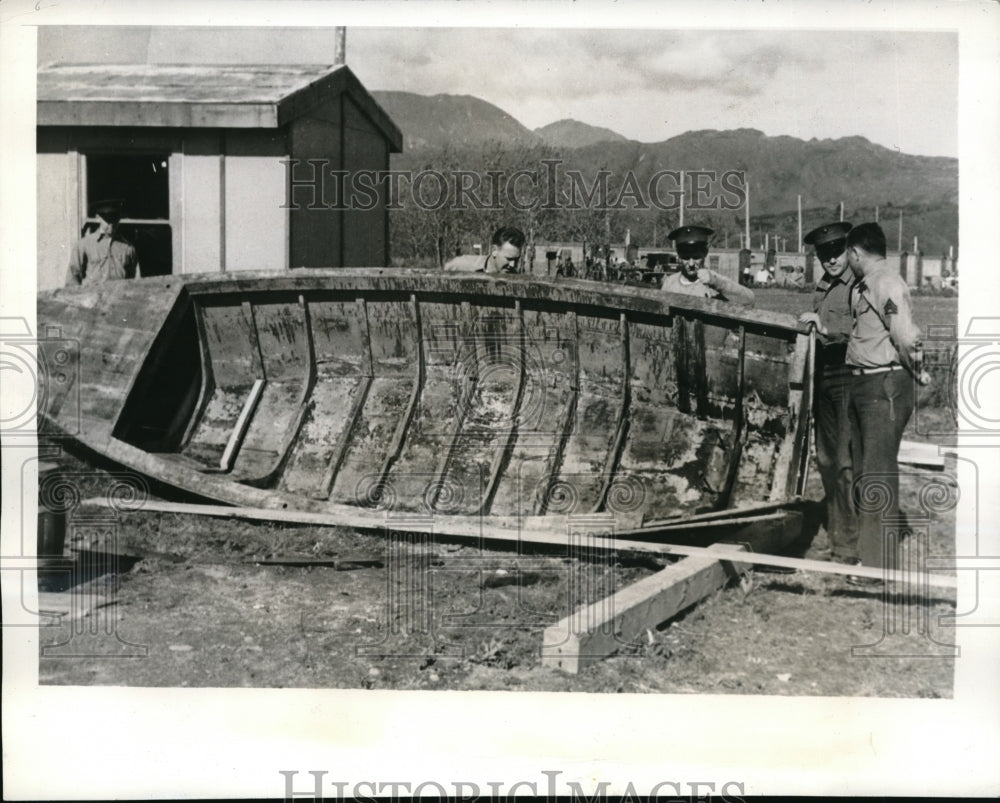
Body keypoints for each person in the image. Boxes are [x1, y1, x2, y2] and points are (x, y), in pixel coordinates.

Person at [843, 222, 931, 585]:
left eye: (848, 256)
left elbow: (906, 335)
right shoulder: (871, 282)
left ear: (855, 253)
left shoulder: (884, 282)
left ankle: (878, 568)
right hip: (870, 383)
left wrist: (920, 372)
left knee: (877, 471)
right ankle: (872, 555)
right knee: (867, 469)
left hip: (884, 385)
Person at [798, 222, 858, 564]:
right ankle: (838, 532)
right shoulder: (824, 285)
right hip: (823, 375)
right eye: (824, 254)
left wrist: (824, 329)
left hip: (848, 375)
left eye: (836, 251)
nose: (831, 259)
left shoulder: (858, 285)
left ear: (848, 250)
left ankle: (848, 545)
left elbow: (863, 332)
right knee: (825, 459)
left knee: (845, 460)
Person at [660, 225, 754, 307]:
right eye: (686, 258)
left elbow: (749, 299)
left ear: (705, 254)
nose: (691, 264)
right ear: (679, 257)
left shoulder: (714, 281)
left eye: (696, 257)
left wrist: (716, 282)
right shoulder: (670, 283)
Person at [66, 198, 141, 286]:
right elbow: (72, 278)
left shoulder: (128, 248)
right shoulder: (84, 245)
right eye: (108, 220)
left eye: (115, 220)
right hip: (93, 297)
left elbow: (136, 281)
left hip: (119, 298)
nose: (111, 224)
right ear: (98, 218)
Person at [444, 226, 525, 274]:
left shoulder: (516, 277)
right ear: (494, 251)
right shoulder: (462, 265)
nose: (513, 265)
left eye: (516, 259)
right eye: (509, 259)